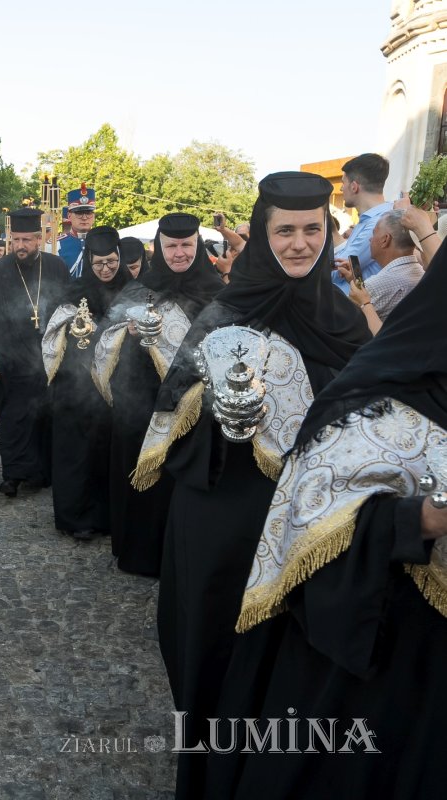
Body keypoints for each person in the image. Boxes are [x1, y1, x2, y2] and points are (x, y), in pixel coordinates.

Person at [133, 173, 370, 799]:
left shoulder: (344, 318)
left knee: (293, 662)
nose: (300, 243)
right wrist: (228, 415)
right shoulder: (226, 313)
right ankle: (210, 774)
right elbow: (174, 406)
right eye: (285, 230)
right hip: (225, 516)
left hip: (311, 523)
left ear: (328, 231)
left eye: (312, 229)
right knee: (215, 648)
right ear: (264, 236)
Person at [203, 240, 447, 800]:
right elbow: (316, 508)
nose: (300, 243)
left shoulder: (342, 318)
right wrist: (421, 523)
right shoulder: (383, 391)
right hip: (380, 656)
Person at [92, 212, 223, 576]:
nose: (179, 253)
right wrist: (128, 332)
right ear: (158, 248)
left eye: (186, 245)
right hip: (140, 401)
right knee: (140, 472)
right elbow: (105, 336)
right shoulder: (139, 289)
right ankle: (139, 552)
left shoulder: (217, 291)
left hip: (193, 404)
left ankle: (179, 556)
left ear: (197, 247)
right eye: (171, 246)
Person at [42, 226, 131, 539]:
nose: (105, 270)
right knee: (75, 453)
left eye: (110, 262)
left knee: (106, 453)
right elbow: (55, 331)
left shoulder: (133, 289)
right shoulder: (74, 290)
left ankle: (106, 517)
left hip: (116, 387)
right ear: (89, 262)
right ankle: (76, 517)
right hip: (75, 388)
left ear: (119, 257)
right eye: (98, 264)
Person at [0, 207, 71, 496]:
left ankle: (41, 473)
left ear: (39, 239)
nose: (20, 246)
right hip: (13, 355)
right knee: (14, 420)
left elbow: (68, 308)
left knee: (44, 417)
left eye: (27, 240)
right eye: (16, 240)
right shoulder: (0, 269)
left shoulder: (56, 267)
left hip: (48, 356)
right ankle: (13, 475)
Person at [343, 209, 425, 334]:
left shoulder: (375, 286)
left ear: (385, 240)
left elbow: (344, 319)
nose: (370, 239)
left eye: (374, 233)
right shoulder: (422, 274)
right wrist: (353, 281)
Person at [333, 153, 393, 294]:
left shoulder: (379, 223)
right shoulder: (372, 219)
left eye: (343, 183)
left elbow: (340, 268)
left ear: (354, 187)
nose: (341, 189)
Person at [58, 183, 96, 276]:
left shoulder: (103, 242)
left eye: (88, 212)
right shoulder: (56, 245)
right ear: (69, 216)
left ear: (94, 216)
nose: (84, 217)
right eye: (79, 213)